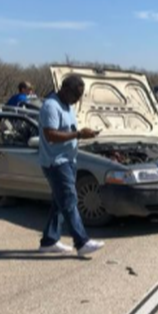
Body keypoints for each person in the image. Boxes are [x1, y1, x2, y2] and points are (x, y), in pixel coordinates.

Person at [38, 76, 105, 256]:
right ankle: (81, 242)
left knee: (59, 203)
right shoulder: (51, 106)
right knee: (69, 200)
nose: (77, 99)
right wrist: (78, 135)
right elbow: (50, 135)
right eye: (75, 95)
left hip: (68, 160)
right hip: (56, 162)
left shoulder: (67, 104)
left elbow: (67, 130)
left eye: (80, 96)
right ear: (65, 89)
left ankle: (49, 241)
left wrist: (81, 134)